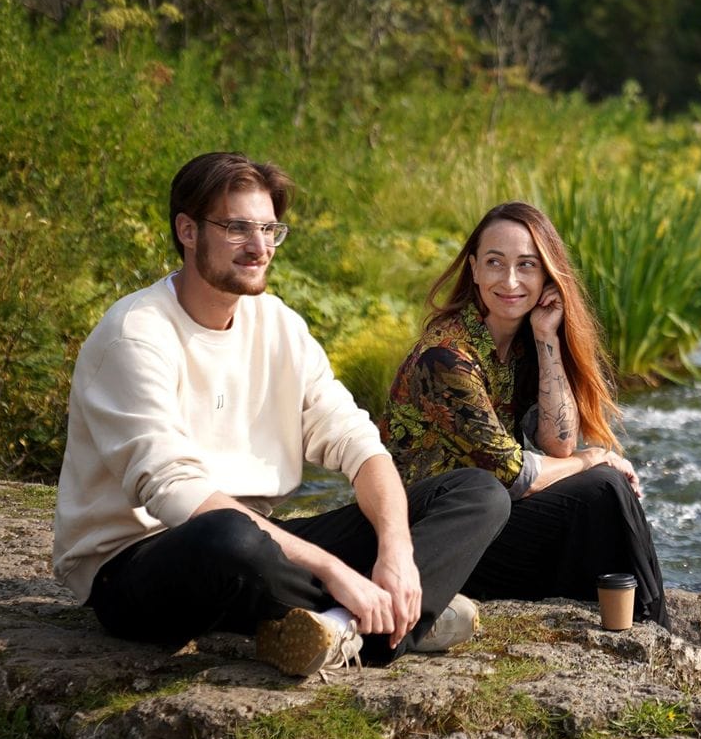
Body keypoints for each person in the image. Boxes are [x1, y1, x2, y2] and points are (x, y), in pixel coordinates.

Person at [51, 152, 510, 677]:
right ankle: (393, 619)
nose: (260, 247)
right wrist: (336, 569)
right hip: (141, 564)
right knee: (231, 539)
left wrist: (398, 551)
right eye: (237, 228)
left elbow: (357, 442)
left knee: (476, 492)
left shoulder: (279, 325)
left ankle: (346, 626)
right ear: (188, 230)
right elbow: (174, 492)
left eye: (269, 228)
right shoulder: (135, 335)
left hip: (262, 547)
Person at [384, 201, 667, 625]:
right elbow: (514, 474)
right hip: (439, 540)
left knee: (601, 493)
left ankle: (638, 622)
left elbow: (558, 442)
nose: (511, 281)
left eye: (527, 265)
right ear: (474, 269)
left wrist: (545, 337)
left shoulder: (518, 345)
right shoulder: (446, 358)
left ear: (546, 276)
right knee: (603, 487)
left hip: (491, 521)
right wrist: (595, 457)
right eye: (495, 263)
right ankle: (651, 624)